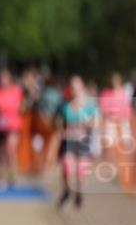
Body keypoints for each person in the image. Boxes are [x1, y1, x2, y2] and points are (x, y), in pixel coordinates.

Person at [46, 75, 100, 209]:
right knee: (67, 166)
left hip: (83, 141)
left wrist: (88, 123)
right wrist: (59, 127)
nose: (74, 90)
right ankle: (66, 191)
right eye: (72, 87)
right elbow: (55, 120)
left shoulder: (90, 104)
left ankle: (79, 192)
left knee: (81, 170)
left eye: (77, 87)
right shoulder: (64, 104)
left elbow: (97, 122)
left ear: (82, 87)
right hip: (68, 141)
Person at [0, 68, 24, 190]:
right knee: (0, 152)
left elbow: (22, 106)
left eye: (6, 78)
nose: (3, 80)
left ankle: (12, 177)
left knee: (11, 149)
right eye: (1, 78)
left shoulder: (16, 91)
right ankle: (0, 177)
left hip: (13, 125)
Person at [99, 72, 133, 157]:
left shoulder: (124, 93)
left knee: (126, 143)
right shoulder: (106, 93)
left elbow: (128, 109)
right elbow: (103, 109)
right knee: (110, 143)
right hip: (111, 121)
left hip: (122, 121)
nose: (115, 82)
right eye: (113, 80)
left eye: (117, 80)